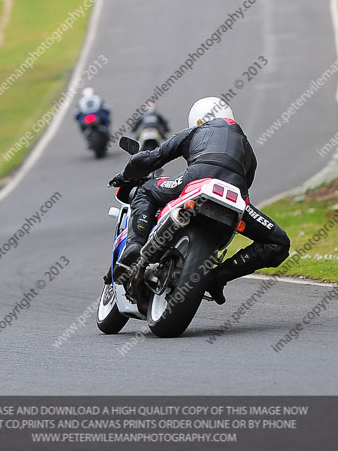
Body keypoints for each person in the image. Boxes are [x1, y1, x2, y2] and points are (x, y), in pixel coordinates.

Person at [110, 96, 290, 305]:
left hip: (195, 180)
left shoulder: (195, 132)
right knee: (279, 242)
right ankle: (218, 278)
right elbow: (247, 185)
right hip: (235, 195)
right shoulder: (246, 147)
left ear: (197, 120)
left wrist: (126, 175)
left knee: (147, 189)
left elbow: (152, 158)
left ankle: (135, 244)